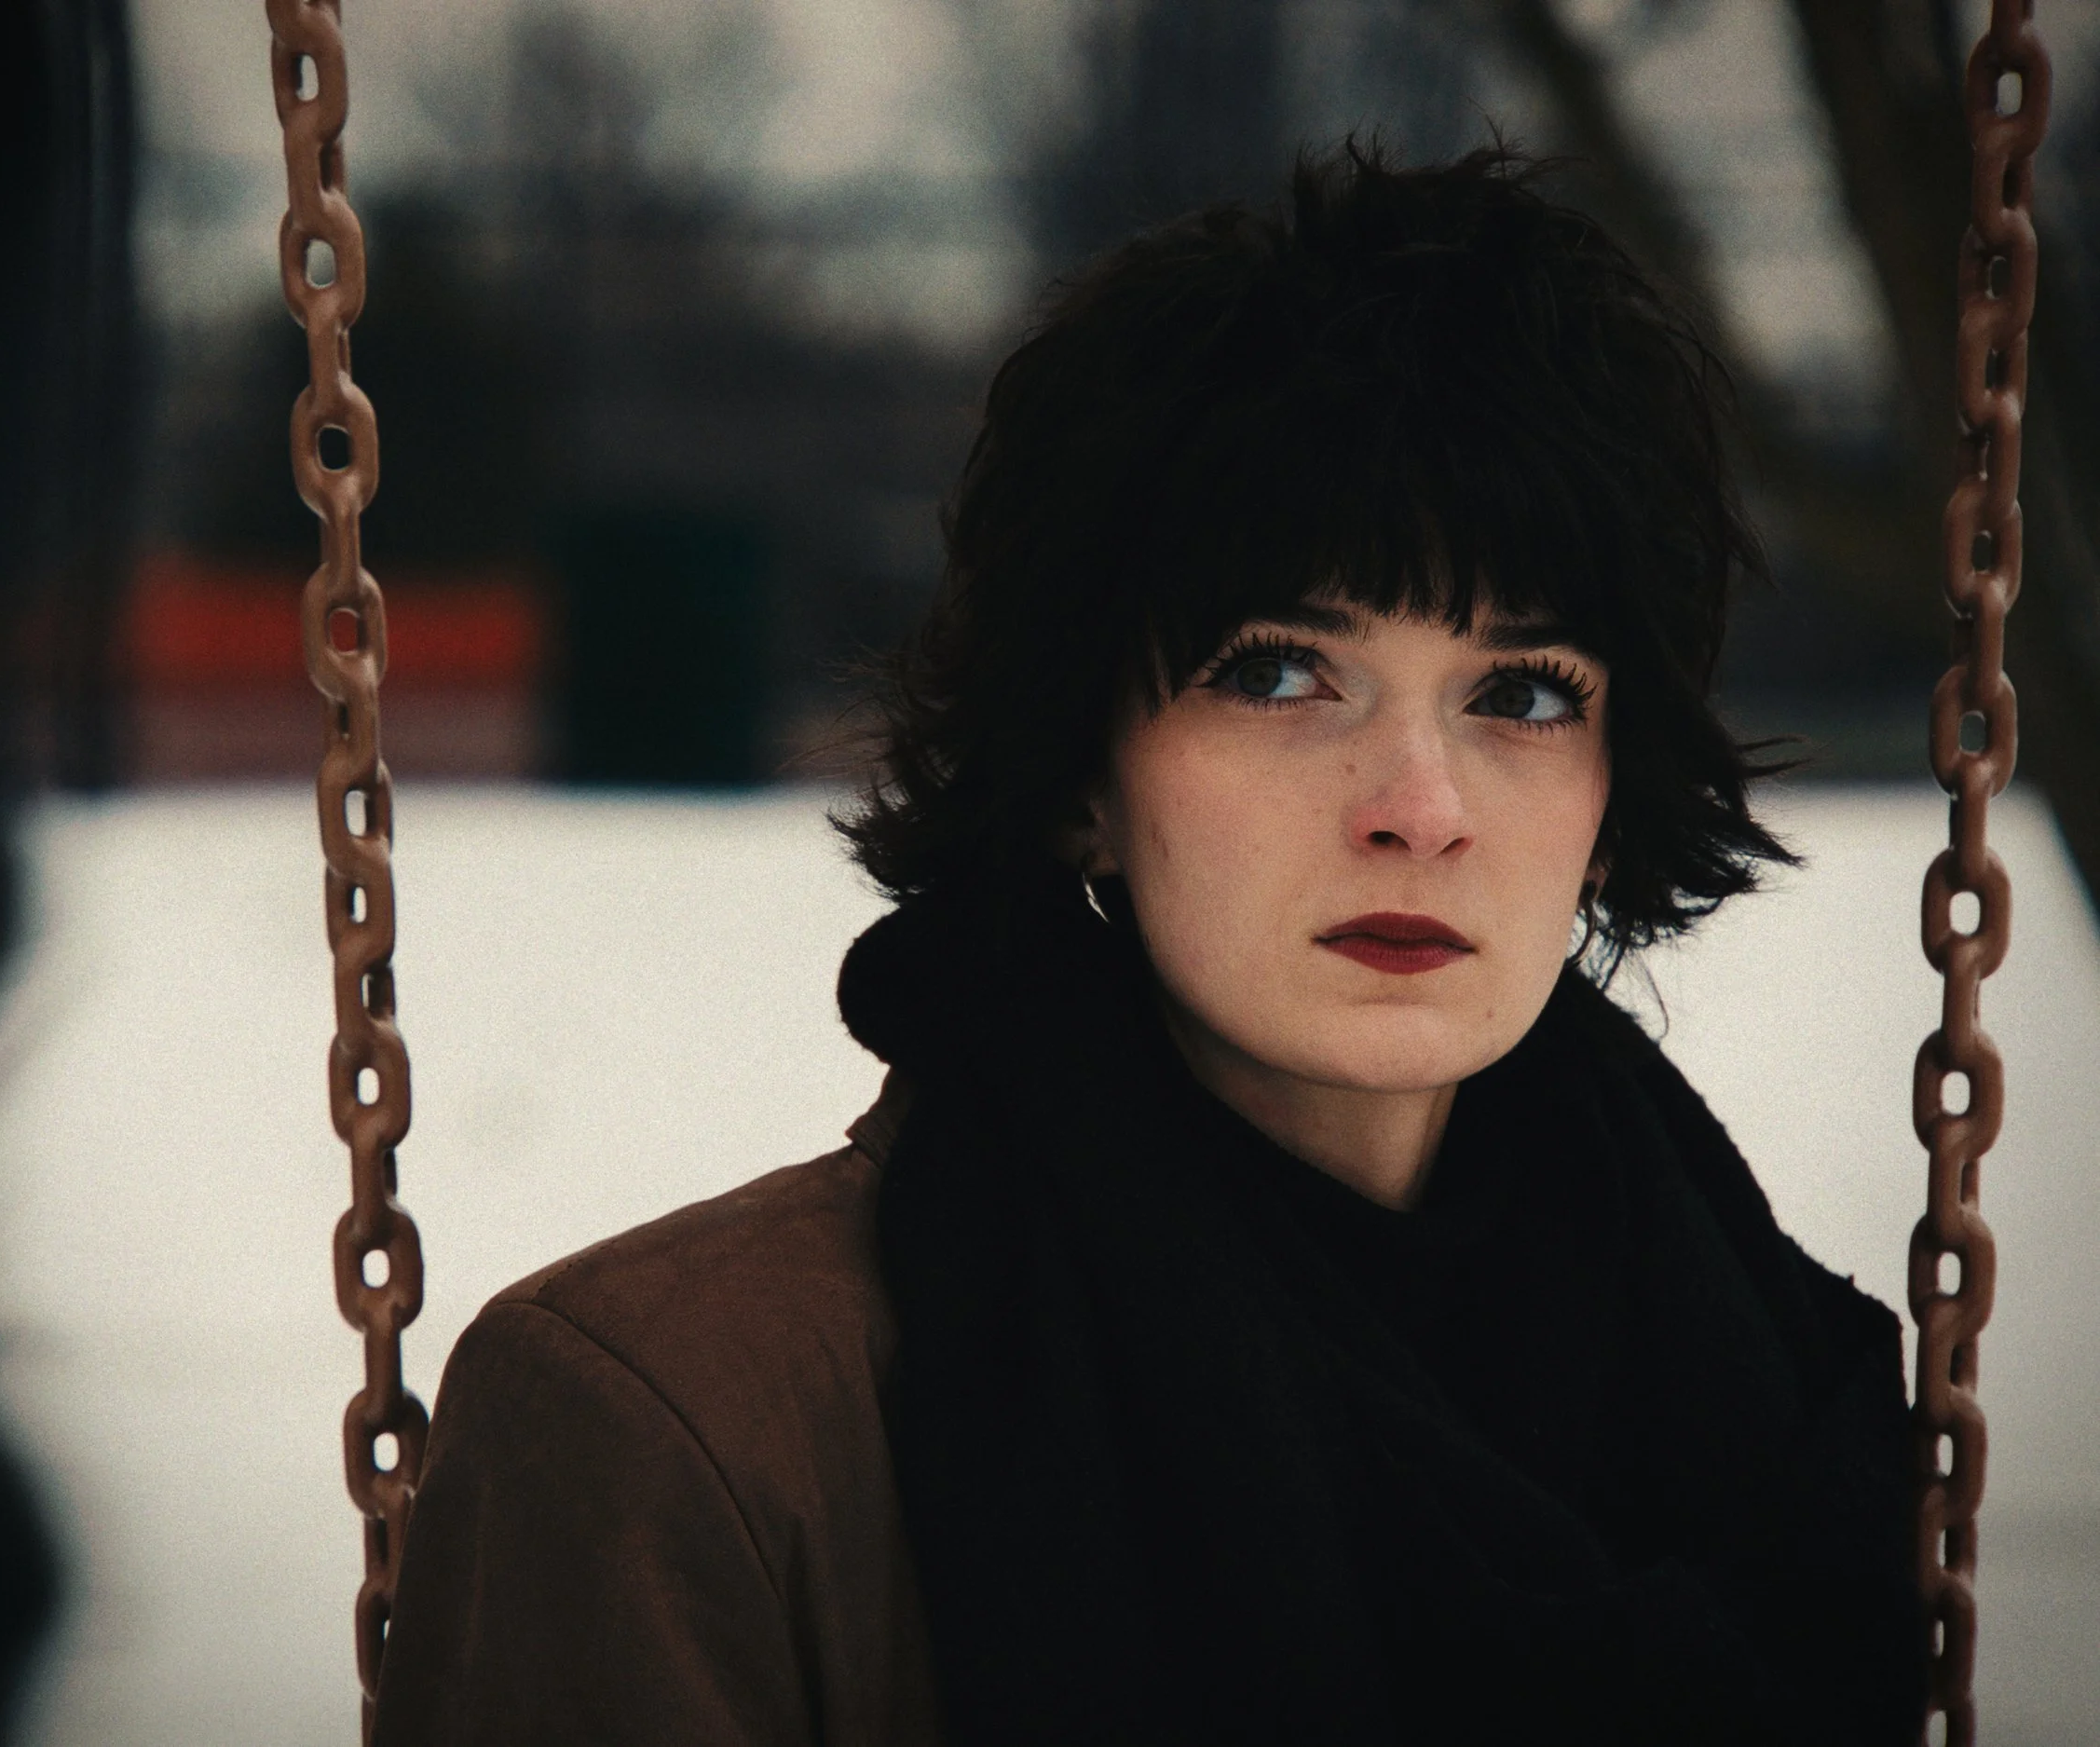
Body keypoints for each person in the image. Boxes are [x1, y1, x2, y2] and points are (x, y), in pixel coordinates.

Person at [374, 145, 1924, 1746]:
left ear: (1617, 787)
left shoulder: (1792, 1421)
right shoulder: (680, 1436)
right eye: (1279, 674)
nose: (1420, 805)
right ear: (1080, 774)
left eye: (1522, 691)